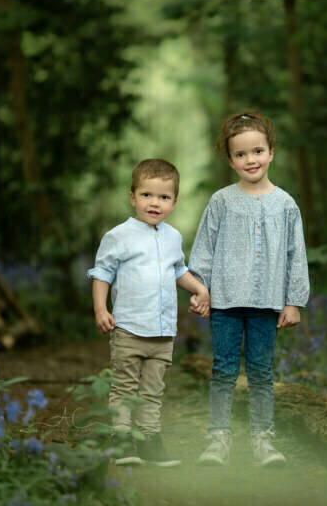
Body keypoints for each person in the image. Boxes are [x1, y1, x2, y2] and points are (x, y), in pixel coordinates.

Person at [189, 111, 310, 467]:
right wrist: (200, 290)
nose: (250, 160)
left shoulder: (286, 204)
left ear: (271, 152)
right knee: (224, 370)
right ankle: (218, 439)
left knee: (261, 372)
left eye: (257, 151)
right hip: (225, 301)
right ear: (230, 160)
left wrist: (294, 301)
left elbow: (295, 255)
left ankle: (262, 439)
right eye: (240, 154)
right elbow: (204, 250)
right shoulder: (221, 201)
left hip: (268, 302)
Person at [88, 158, 210, 467]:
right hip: (129, 327)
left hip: (163, 332)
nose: (154, 203)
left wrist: (199, 289)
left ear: (174, 202)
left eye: (163, 197)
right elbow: (102, 274)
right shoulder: (119, 236)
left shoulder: (172, 237)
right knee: (126, 386)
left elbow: (178, 270)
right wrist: (101, 309)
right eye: (147, 195)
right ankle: (121, 439)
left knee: (153, 390)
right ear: (133, 197)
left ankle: (149, 440)